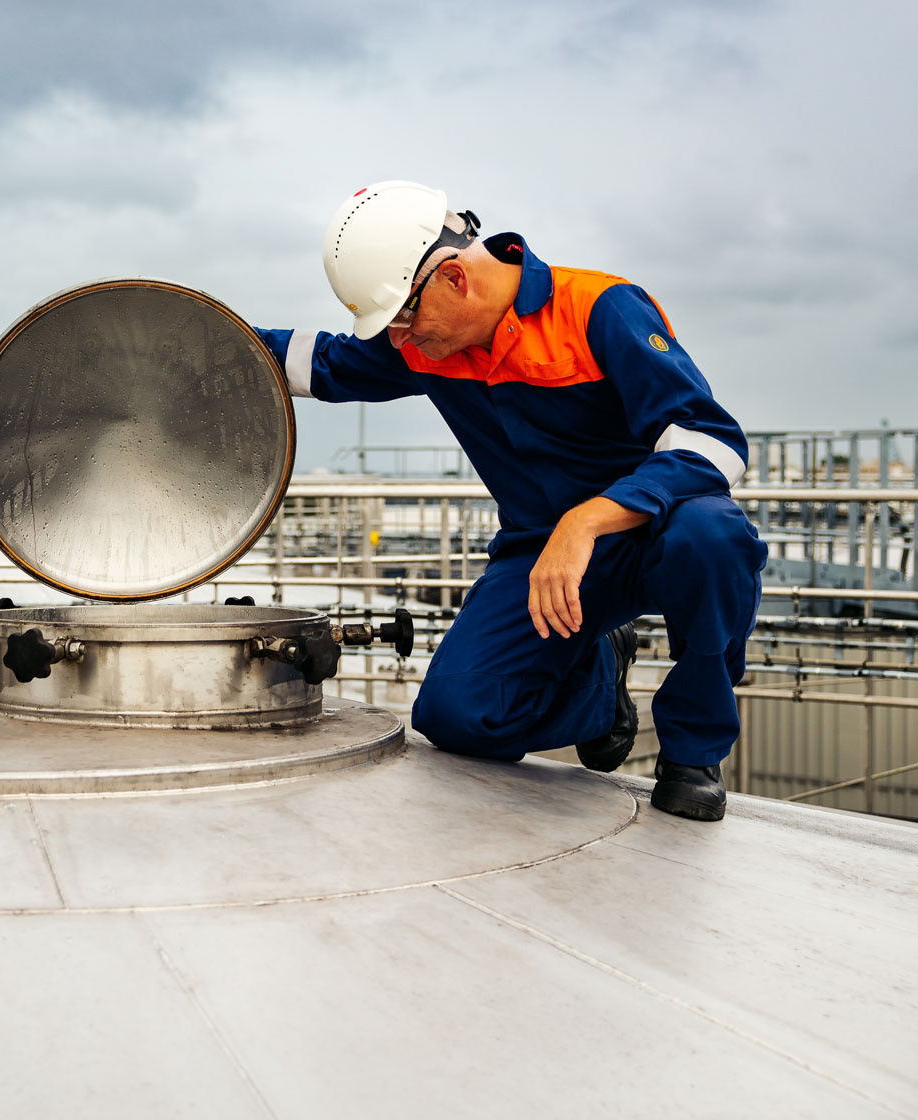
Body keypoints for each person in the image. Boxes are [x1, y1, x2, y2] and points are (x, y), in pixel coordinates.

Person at [254, 180, 765, 821]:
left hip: (654, 532)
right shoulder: (427, 343)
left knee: (714, 536)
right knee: (456, 718)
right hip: (538, 551)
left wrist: (587, 521)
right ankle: (601, 682)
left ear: (454, 280)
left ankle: (693, 752)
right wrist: (195, 341)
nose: (401, 340)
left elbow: (712, 442)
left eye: (405, 317)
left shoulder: (599, 309)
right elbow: (322, 363)